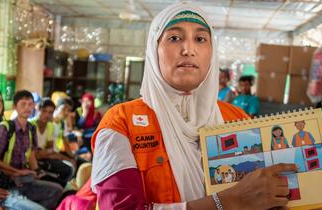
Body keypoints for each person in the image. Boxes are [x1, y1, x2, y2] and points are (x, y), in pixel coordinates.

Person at [90, 3, 297, 210]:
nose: (188, 49)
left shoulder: (237, 118)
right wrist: (228, 202)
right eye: (174, 38)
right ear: (154, 49)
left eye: (200, 39)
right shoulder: (121, 123)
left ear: (211, 52)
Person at [0, 90, 63, 209]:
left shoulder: (31, 128)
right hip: (5, 181)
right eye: (23, 104)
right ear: (15, 107)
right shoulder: (4, 129)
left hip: (22, 179)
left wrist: (37, 172)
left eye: (30, 104)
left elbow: (31, 155)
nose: (27, 108)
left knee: (57, 190)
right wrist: (17, 172)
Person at [31, 99, 75, 187]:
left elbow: (50, 149)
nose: (47, 115)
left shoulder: (50, 125)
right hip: (32, 161)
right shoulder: (31, 125)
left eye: (50, 112)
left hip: (45, 157)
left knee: (68, 169)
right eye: (44, 111)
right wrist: (44, 152)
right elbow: (33, 154)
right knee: (60, 179)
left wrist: (44, 152)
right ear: (37, 110)